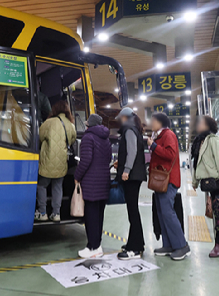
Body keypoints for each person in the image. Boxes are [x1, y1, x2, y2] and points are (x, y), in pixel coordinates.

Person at [191, 116, 219, 257]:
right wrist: (195, 181)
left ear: (208, 126)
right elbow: (197, 163)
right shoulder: (200, 141)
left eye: (202, 123)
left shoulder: (214, 140)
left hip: (218, 182)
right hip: (209, 182)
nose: (198, 125)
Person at [147, 112, 190, 261]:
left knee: (168, 212)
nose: (151, 122)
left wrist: (153, 146)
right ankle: (169, 244)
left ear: (160, 122)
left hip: (168, 180)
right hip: (160, 180)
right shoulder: (159, 136)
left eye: (152, 120)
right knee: (161, 213)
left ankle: (182, 246)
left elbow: (171, 154)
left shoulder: (168, 135)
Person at [74, 114, 112, 258]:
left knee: (90, 217)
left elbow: (86, 160)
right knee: (99, 216)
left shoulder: (88, 137)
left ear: (89, 124)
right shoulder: (106, 139)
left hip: (91, 183)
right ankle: (97, 246)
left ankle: (92, 247)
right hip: (103, 181)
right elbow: (107, 159)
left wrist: (77, 176)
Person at [114, 107, 147, 260]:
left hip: (132, 176)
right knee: (132, 211)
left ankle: (135, 248)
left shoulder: (129, 130)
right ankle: (136, 242)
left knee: (132, 211)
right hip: (135, 175)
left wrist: (126, 170)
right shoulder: (135, 129)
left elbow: (132, 152)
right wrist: (120, 163)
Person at [36, 100, 77, 222]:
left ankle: (42, 212)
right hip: (61, 162)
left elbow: (39, 137)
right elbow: (73, 140)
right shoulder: (70, 125)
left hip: (47, 161)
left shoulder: (48, 123)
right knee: (58, 187)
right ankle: (56, 213)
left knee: (42, 185)